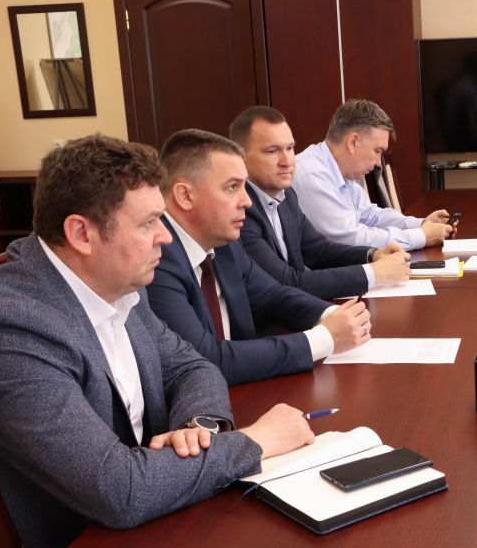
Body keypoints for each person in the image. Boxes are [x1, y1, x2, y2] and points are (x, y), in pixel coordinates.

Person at [0, 134, 317, 548]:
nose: (165, 237)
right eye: (149, 222)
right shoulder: (7, 327)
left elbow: (193, 367)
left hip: (165, 519)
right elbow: (120, 490)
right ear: (81, 233)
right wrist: (256, 441)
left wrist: (197, 428)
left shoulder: (117, 280)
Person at [147, 129, 371, 386]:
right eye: (232, 187)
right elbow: (205, 359)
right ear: (185, 196)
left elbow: (272, 296)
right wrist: (324, 339)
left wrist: (334, 315)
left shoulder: (224, 241)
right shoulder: (156, 260)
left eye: (244, 186)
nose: (247, 201)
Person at [230, 106, 412, 300]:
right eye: (272, 151)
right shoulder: (240, 211)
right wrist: (373, 273)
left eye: (289, 148)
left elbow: (319, 250)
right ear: (241, 159)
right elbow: (286, 283)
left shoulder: (286, 195)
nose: (287, 161)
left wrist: (372, 254)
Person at [291, 99, 457, 251]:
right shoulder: (312, 176)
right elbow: (351, 239)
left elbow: (372, 217)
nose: (379, 162)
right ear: (353, 142)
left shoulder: (343, 172)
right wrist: (421, 236)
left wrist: (422, 224)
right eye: (377, 151)